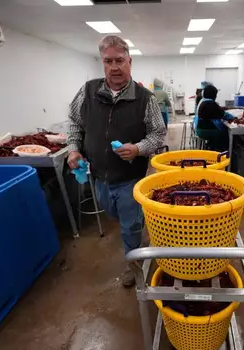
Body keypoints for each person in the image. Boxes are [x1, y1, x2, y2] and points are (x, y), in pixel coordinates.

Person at [66, 35, 166, 287]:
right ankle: (137, 221)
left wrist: (139, 148)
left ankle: (134, 266)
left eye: (119, 60)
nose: (114, 67)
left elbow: (158, 133)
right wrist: (73, 150)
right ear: (102, 63)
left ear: (129, 61)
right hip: (99, 176)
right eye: (108, 61)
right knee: (114, 214)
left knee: (129, 226)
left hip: (129, 179)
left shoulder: (145, 98)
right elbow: (75, 123)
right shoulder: (88, 91)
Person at [195, 85, 234, 151]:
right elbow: (224, 115)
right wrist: (234, 117)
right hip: (206, 131)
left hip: (200, 129)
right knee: (225, 134)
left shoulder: (203, 101)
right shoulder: (210, 103)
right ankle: (221, 151)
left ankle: (211, 146)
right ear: (213, 95)